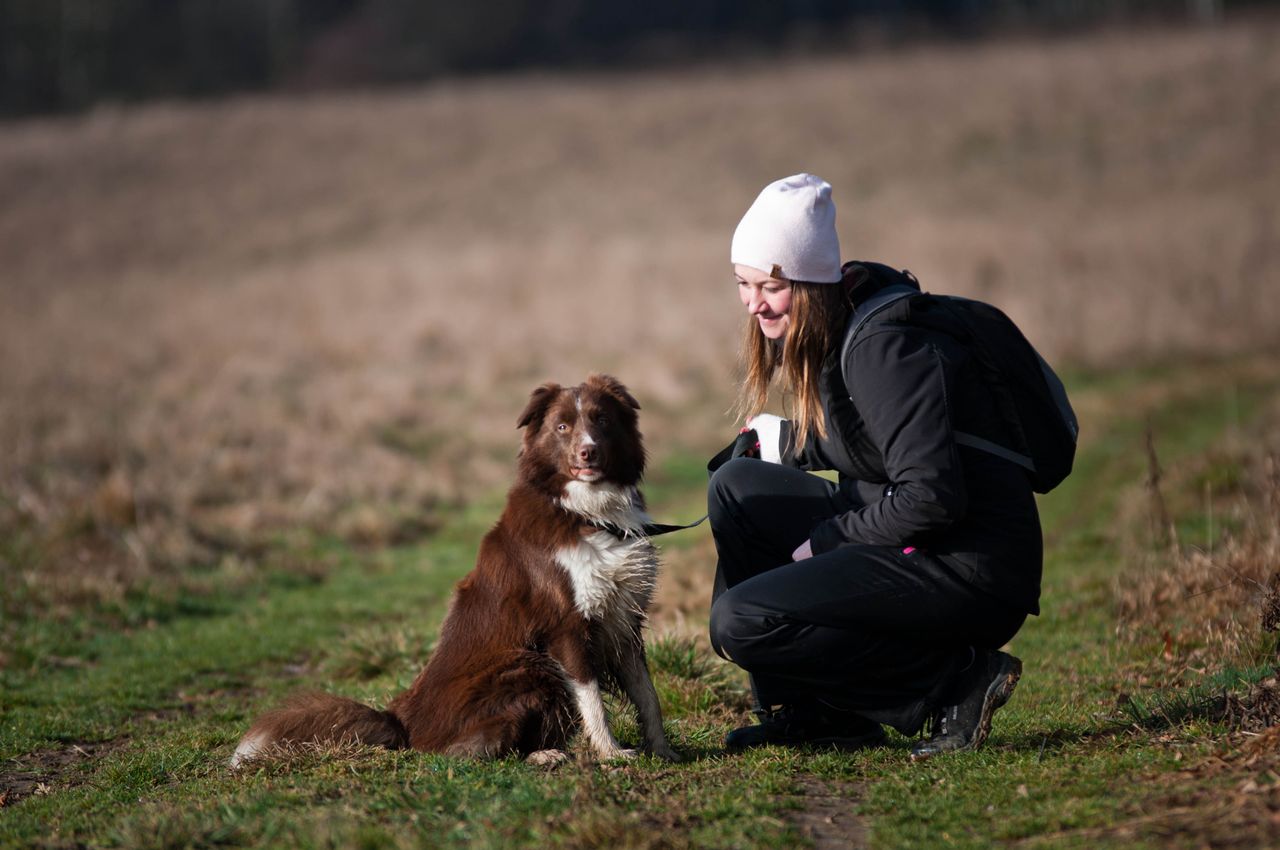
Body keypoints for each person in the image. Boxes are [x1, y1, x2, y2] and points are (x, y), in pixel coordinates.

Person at [707, 173, 1040, 759]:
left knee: (739, 622)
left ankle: (954, 687)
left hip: (968, 570)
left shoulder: (882, 349)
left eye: (772, 287)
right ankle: (818, 712)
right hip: (915, 541)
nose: (755, 303)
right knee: (738, 489)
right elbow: (876, 443)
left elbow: (931, 497)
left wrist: (831, 539)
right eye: (744, 283)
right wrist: (790, 444)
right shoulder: (843, 318)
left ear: (809, 282)